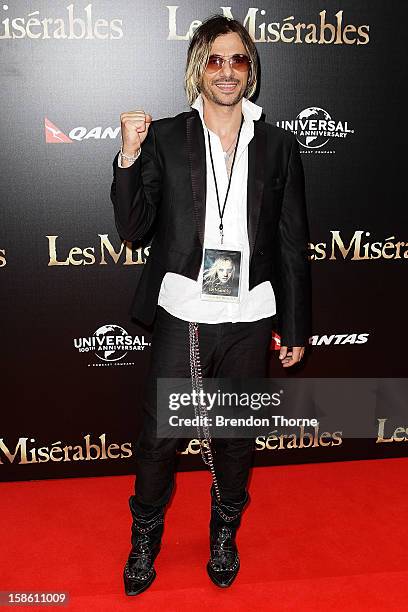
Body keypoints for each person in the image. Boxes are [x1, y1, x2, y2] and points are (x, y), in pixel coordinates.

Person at [110, 14, 311, 596]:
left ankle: (224, 531)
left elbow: (293, 241)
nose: (228, 71)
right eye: (217, 59)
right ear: (199, 67)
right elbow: (135, 228)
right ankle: (144, 536)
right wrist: (127, 157)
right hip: (184, 311)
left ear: (251, 71)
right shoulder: (168, 137)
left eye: (239, 59)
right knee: (159, 438)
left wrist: (295, 325)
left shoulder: (277, 144)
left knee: (236, 437)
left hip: (250, 315)